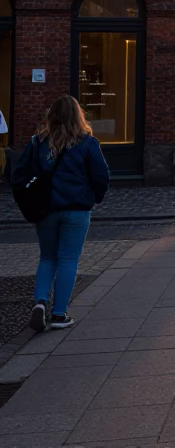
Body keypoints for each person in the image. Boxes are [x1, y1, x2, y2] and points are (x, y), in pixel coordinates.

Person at [12, 96, 110, 332]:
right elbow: (102, 177)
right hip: (76, 210)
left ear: (51, 116)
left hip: (45, 209)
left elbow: (18, 177)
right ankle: (59, 314)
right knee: (68, 259)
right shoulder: (87, 143)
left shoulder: (37, 143)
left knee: (47, 257)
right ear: (79, 116)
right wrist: (94, 197)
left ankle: (40, 301)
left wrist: (27, 202)